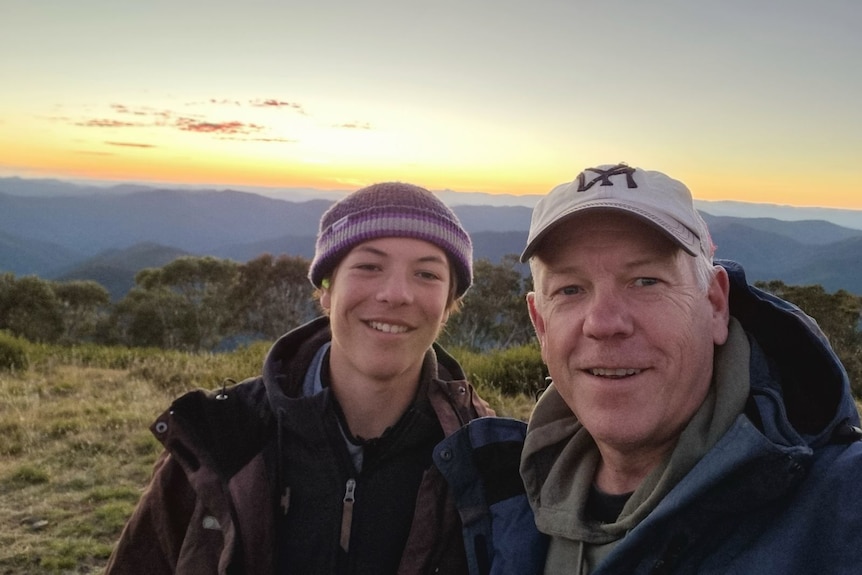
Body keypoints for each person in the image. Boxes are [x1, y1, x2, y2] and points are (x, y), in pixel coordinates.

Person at [106, 182, 545, 574]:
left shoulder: (487, 459)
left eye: (427, 274)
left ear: (449, 303)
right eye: (369, 267)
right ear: (327, 288)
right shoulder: (220, 439)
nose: (396, 293)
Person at [518, 163, 862, 574]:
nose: (604, 322)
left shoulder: (841, 504)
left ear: (715, 305)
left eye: (646, 281)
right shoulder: (498, 499)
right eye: (570, 290)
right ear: (540, 326)